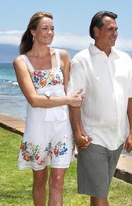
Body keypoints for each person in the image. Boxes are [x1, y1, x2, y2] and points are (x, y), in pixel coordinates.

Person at [68, 11, 132, 206]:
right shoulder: (82, 60)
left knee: (100, 192)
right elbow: (74, 100)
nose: (115, 33)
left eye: (116, 30)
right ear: (96, 31)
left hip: (117, 137)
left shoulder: (125, 59)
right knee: (100, 195)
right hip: (93, 137)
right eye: (110, 29)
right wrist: (78, 133)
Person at [13, 11, 83, 206]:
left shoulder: (63, 56)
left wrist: (77, 129)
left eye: (52, 29)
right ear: (33, 32)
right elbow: (34, 100)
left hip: (62, 126)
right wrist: (66, 99)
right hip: (38, 127)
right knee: (40, 180)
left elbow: (70, 92)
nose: (50, 32)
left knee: (58, 181)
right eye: (45, 28)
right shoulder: (21, 62)